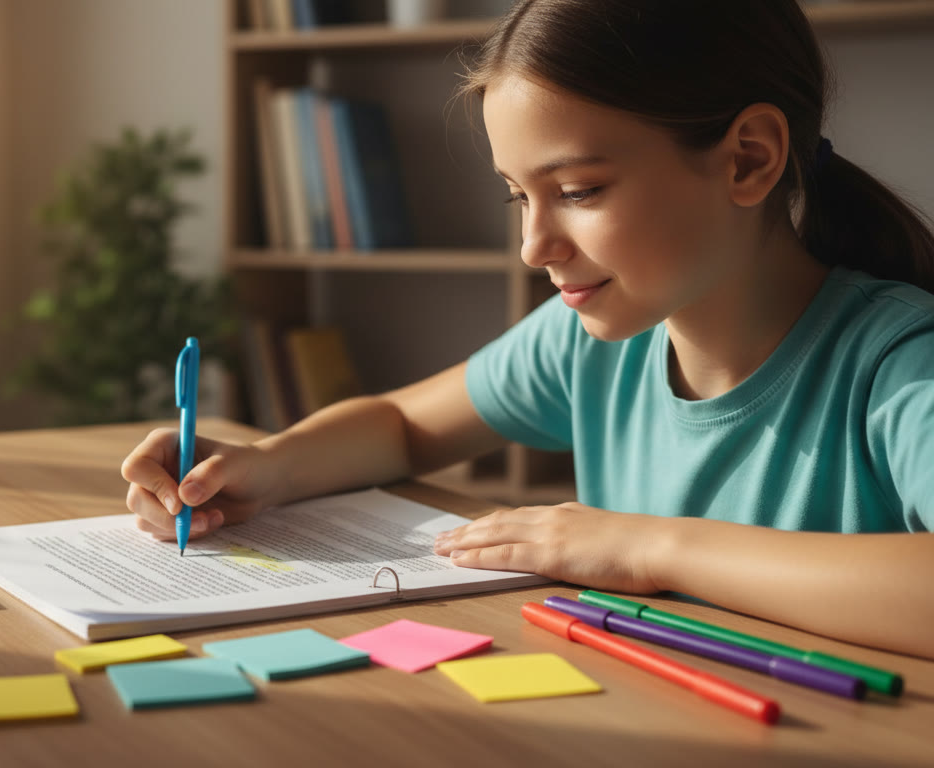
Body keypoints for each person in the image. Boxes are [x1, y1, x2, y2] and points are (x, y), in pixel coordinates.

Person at [121, 0, 934, 659]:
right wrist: (266, 467)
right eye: (519, 196)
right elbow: (404, 426)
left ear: (748, 159)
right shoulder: (587, 340)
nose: (533, 248)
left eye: (577, 190)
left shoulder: (900, 362)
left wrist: (648, 549)